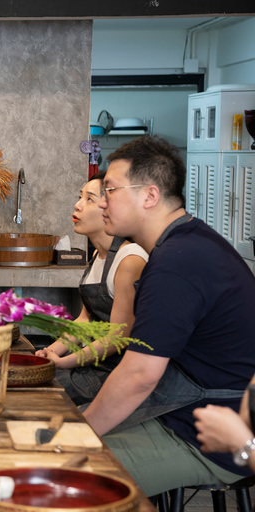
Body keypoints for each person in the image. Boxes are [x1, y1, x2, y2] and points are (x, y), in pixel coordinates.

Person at [80, 136, 255, 497]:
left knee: (72, 470)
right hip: (183, 410)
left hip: (217, 432)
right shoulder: (188, 242)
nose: (102, 201)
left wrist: (77, 433)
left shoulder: (177, 262)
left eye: (109, 189)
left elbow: (140, 375)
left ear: (149, 196)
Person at [35, 173, 147, 405]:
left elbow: (119, 336)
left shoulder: (130, 259)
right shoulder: (97, 255)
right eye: (79, 197)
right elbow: (85, 321)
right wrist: (50, 353)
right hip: (95, 362)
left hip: (117, 372)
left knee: (39, 395)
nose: (77, 205)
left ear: (109, 209)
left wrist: (64, 362)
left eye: (89, 199)